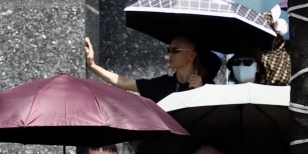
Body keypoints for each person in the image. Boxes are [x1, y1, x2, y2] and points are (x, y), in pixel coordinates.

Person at [84, 35, 221, 102]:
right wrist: (93, 65)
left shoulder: (207, 86)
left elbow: (218, 116)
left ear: (191, 55)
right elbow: (123, 83)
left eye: (176, 50)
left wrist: (201, 91)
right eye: (169, 49)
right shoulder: (162, 84)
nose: (170, 54)